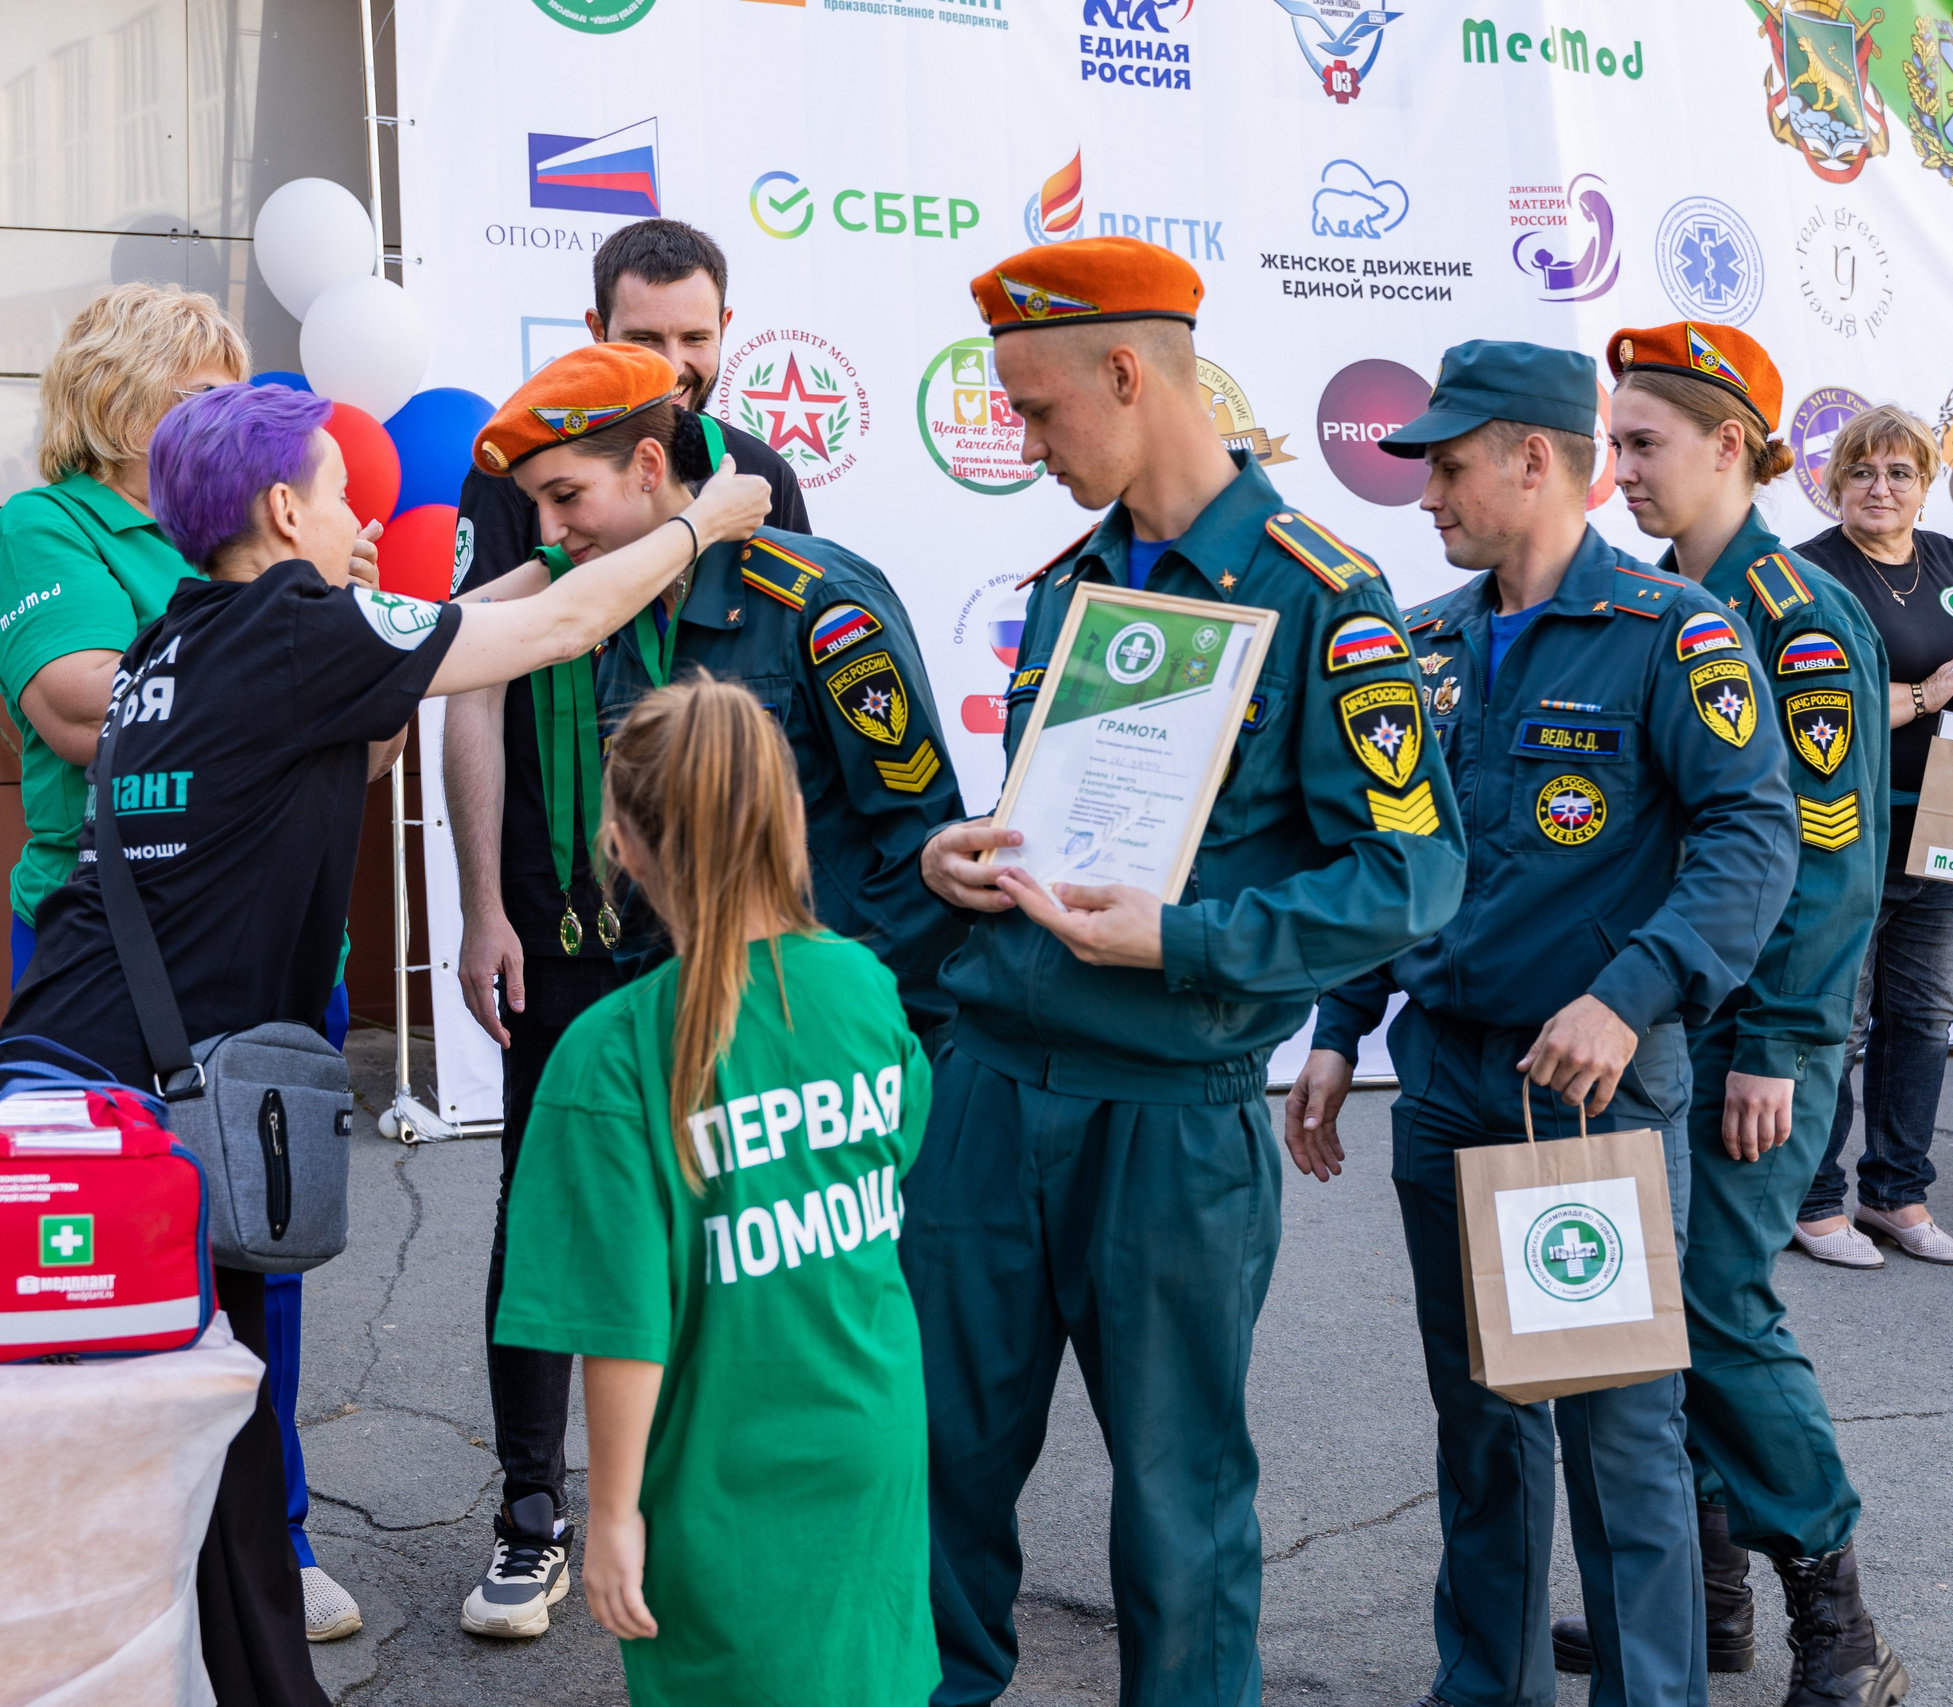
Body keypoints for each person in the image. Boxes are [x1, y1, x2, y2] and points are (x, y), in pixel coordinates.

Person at [0, 375, 770, 1705]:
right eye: (343, 491)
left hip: (73, 1075)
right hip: (146, 1118)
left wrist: (551, 544)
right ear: (284, 508)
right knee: (181, 1450)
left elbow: (459, 624)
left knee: (194, 1439)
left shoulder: (194, 632)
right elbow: (566, 627)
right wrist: (704, 519)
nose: (366, 512)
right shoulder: (300, 630)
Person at [907, 236, 1467, 1707]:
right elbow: (1058, 816)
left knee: (1176, 1496)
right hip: (989, 1087)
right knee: (937, 1467)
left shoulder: (1323, 598)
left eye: (1038, 411)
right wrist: (959, 863)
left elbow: (1409, 874)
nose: (1026, 447)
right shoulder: (1070, 585)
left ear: (1128, 371)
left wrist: (1187, 937)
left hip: (1170, 1106)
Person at [1288, 340, 1798, 1707]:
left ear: (1531, 457)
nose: (1427, 494)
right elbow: (1398, 850)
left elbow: (1755, 838)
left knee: (1619, 1435)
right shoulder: (1430, 637)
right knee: (1481, 1428)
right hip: (1445, 1077)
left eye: (1448, 465)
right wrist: (1341, 1023)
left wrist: (1628, 996)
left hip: (1581, 1096)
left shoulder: (1670, 632)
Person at [0, 280, 362, 1639]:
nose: (230, 419)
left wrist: (306, 656)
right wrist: (278, 647)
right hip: (121, 962)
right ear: (126, 395)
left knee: (268, 1245)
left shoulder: (252, 541)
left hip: (281, 949)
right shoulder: (52, 525)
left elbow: (358, 726)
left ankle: (274, 1538)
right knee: (112, 1258)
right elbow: (84, 704)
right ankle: (127, 1557)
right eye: (204, 391)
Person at [443, 218, 812, 1637]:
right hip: (555, 918)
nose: (675, 364)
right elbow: (473, 676)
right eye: (645, 337)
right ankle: (532, 1515)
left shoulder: (761, 478)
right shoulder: (516, 470)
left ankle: (690, 1506)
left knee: (730, 1207)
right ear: (595, 326)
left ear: (726, 331)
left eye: (695, 337)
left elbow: (788, 696)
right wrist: (482, 901)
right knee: (548, 1211)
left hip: (713, 925)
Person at [489, 674, 937, 1707]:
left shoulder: (609, 1053)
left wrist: (609, 1517)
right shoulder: (864, 986)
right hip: (871, 1440)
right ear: (786, 815)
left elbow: (620, 1320)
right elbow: (886, 1163)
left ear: (624, 842)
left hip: (712, 1471)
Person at [1604, 320, 1907, 1707]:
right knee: (1656, 1309)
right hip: (1668, 1014)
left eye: (1643, 443)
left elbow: (1832, 849)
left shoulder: (1793, 612)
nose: (1618, 472)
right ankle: (1701, 1599)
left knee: (1712, 1303)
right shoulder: (1658, 602)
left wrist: (1782, 1039)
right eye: (1611, 443)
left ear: (1732, 445)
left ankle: (1838, 1621)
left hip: (1751, 1032)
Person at [1790, 405, 1953, 1271]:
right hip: (1847, 824)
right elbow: (1817, 709)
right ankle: (1813, 1199)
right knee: (1837, 1021)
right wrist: (1927, 697)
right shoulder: (1806, 574)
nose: (1881, 487)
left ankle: (1896, 1192)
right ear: (1834, 483)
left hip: (1950, 820)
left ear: (1926, 485)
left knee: (1923, 1016)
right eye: (1862, 471)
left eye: (1899, 473)